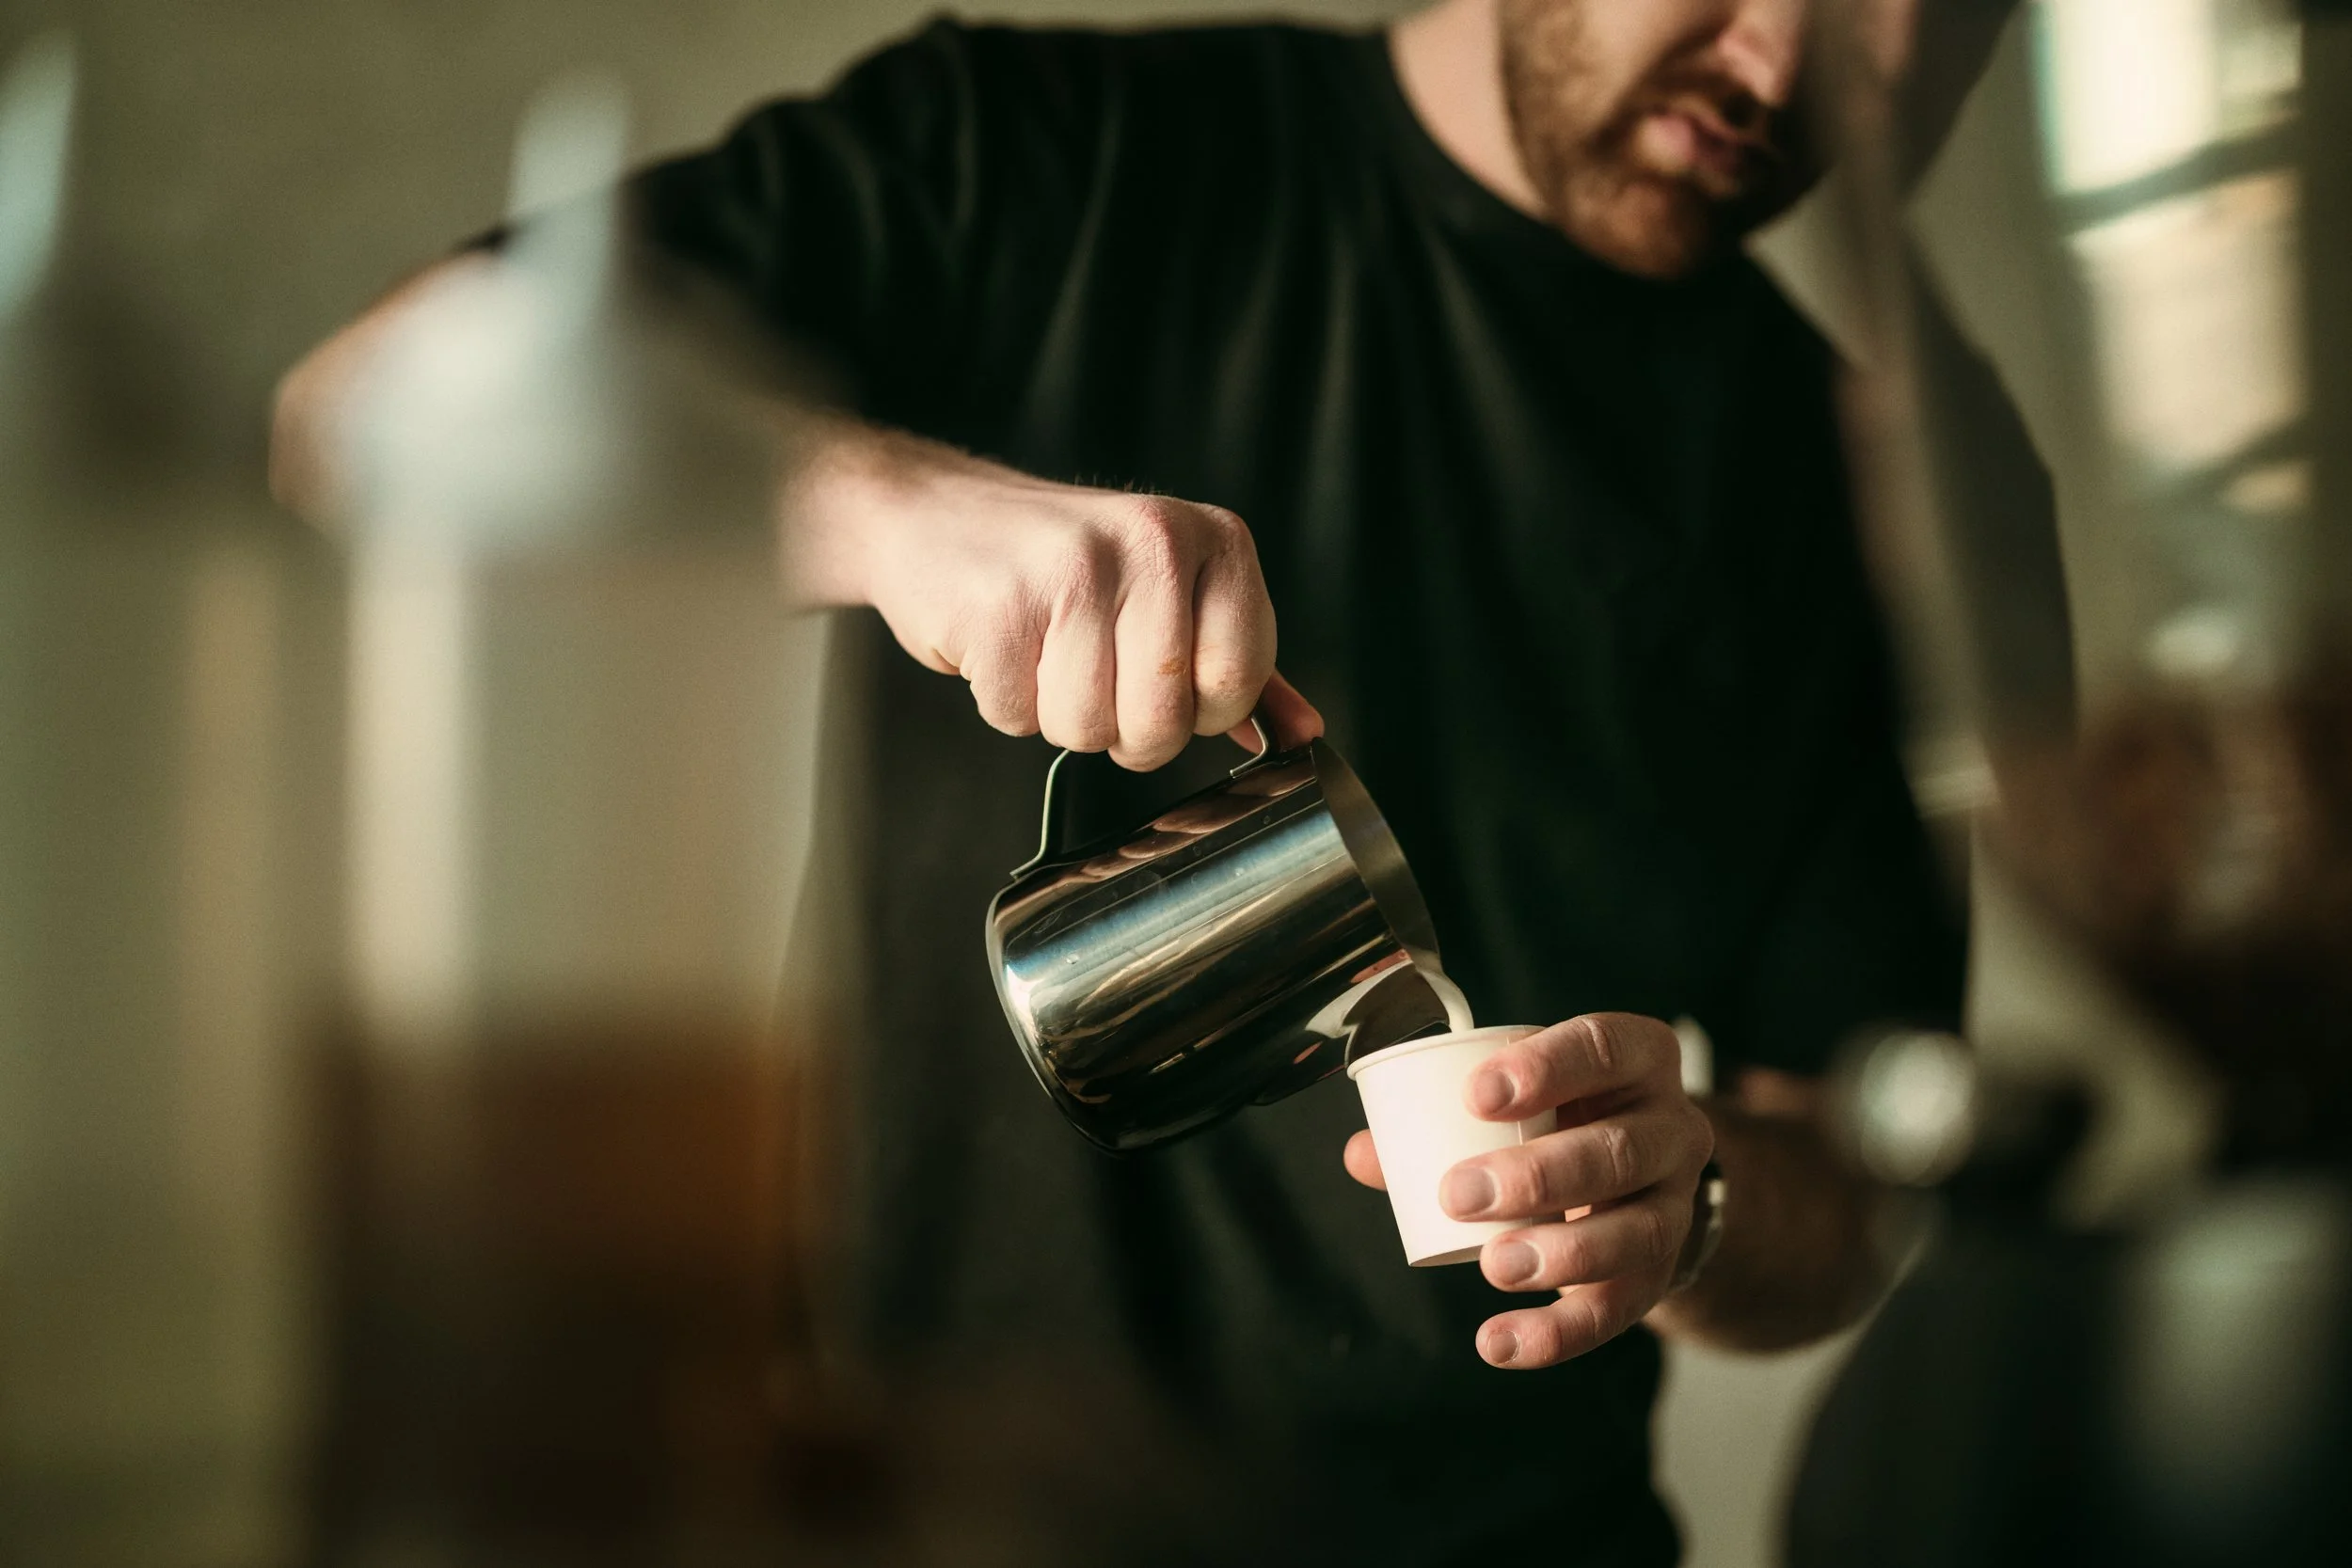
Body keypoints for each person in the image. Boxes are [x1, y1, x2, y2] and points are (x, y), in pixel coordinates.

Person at [274, 1, 2033, 1560]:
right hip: (920, 1520)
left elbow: (1849, 1184)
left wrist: (1699, 1197)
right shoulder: (1043, 155)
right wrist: (882, 510)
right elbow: (352, 421)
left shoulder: (1854, 485)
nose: (1798, 64)